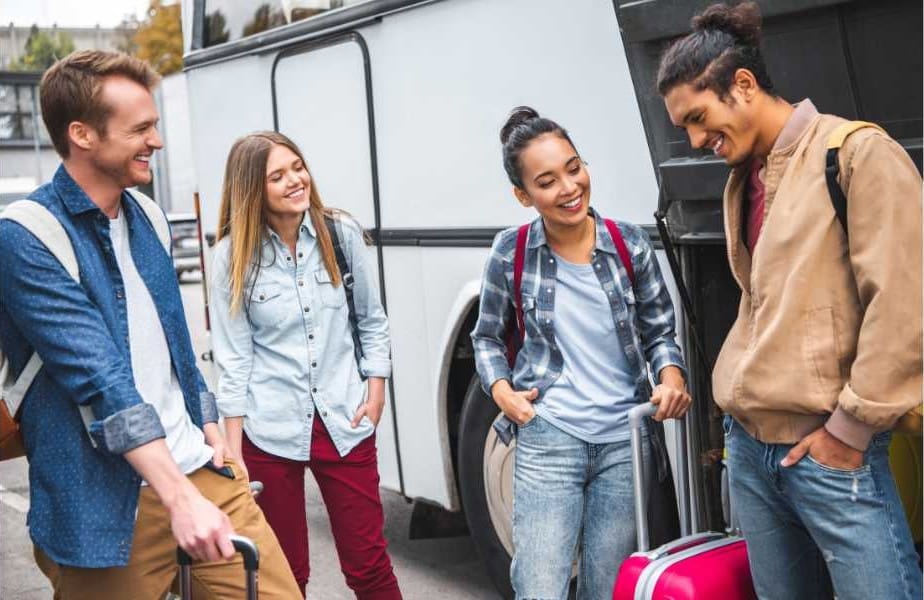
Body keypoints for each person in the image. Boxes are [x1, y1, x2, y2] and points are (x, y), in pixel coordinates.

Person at [0, 51, 301, 599]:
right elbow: (98, 377)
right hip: (102, 500)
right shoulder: (26, 235)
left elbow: (174, 344)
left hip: (199, 471)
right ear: (82, 135)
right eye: (139, 129)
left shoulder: (149, 218)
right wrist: (179, 498)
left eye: (155, 126)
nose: (156, 142)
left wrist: (207, 422)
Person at [657, 3, 923, 599]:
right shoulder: (745, 178)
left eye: (698, 118)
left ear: (743, 85)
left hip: (829, 452)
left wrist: (848, 432)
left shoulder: (856, 153)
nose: (695, 140)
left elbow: (906, 305)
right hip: (750, 452)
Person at [470, 107, 691, 600]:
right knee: (539, 588)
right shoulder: (511, 251)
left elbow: (659, 332)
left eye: (574, 168)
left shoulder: (629, 244)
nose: (569, 188)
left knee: (605, 589)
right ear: (523, 195)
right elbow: (486, 338)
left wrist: (671, 377)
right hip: (549, 437)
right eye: (547, 181)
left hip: (624, 442)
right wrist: (503, 393)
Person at [209, 131, 402, 599]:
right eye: (277, 176)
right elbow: (233, 356)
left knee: (369, 566)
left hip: (344, 419)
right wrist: (234, 451)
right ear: (252, 190)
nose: (296, 180)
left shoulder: (341, 234)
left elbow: (371, 320)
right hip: (269, 430)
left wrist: (375, 393)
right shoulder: (232, 256)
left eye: (298, 167)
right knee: (284, 575)